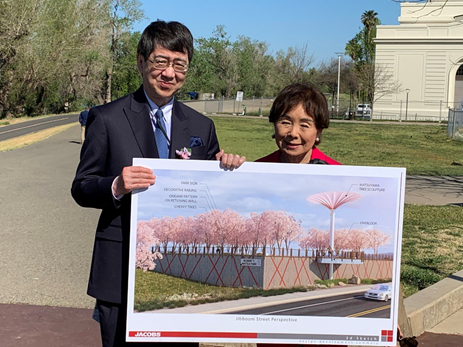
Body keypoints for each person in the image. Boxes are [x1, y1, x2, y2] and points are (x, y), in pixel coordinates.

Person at [71, 20, 244, 347]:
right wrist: (116, 186)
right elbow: (81, 187)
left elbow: (209, 191)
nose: (169, 73)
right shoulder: (107, 118)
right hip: (120, 270)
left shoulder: (201, 126)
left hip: (179, 270)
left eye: (179, 65)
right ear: (141, 61)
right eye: (160, 62)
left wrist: (228, 168)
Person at [256, 83, 340, 165]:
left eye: (304, 125)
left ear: (318, 131)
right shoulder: (256, 170)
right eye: (286, 123)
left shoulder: (339, 175)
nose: (293, 133)